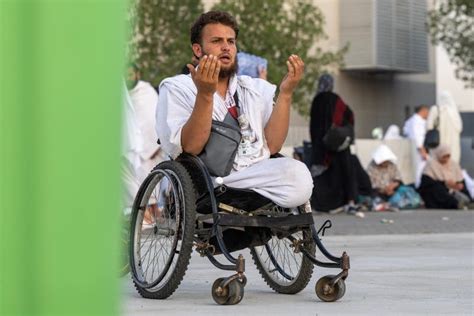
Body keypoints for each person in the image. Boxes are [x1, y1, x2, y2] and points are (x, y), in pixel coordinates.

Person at [156, 11, 312, 208]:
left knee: (300, 174)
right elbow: (191, 147)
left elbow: (272, 146)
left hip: (256, 173)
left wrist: (286, 93)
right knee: (218, 181)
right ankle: (230, 191)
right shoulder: (177, 88)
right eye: (216, 41)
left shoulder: (253, 88)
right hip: (208, 180)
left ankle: (248, 195)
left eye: (231, 41)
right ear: (197, 49)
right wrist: (205, 94)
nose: (226, 47)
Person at [309, 74, 360, 213]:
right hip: (338, 145)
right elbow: (349, 114)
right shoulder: (335, 99)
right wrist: (342, 129)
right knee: (344, 172)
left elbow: (313, 126)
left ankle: (321, 204)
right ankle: (347, 202)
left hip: (320, 146)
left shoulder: (316, 100)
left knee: (321, 176)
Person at [126, 63, 165, 182]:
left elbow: (153, 120)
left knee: (153, 193)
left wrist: (151, 146)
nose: (127, 78)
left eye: (130, 74)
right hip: (130, 152)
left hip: (154, 152)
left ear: (137, 75)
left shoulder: (147, 92)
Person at [418, 144, 472, 209]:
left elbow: (460, 181)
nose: (446, 159)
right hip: (436, 193)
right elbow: (425, 183)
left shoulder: (453, 164)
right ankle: (456, 204)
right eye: (444, 156)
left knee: (463, 193)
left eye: (448, 156)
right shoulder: (431, 164)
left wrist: (458, 185)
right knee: (436, 189)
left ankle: (467, 203)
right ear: (439, 154)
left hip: (452, 190)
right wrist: (444, 183)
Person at [427, 91, 463, 163]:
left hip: (438, 141)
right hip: (453, 144)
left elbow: (428, 126)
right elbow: (460, 128)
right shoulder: (454, 112)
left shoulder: (435, 109)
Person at [403, 105, 430, 187]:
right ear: (423, 110)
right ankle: (418, 187)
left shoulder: (411, 121)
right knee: (420, 169)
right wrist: (422, 151)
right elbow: (417, 136)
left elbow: (406, 132)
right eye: (427, 112)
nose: (428, 114)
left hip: (413, 148)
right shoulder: (417, 121)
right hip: (419, 150)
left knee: (416, 169)